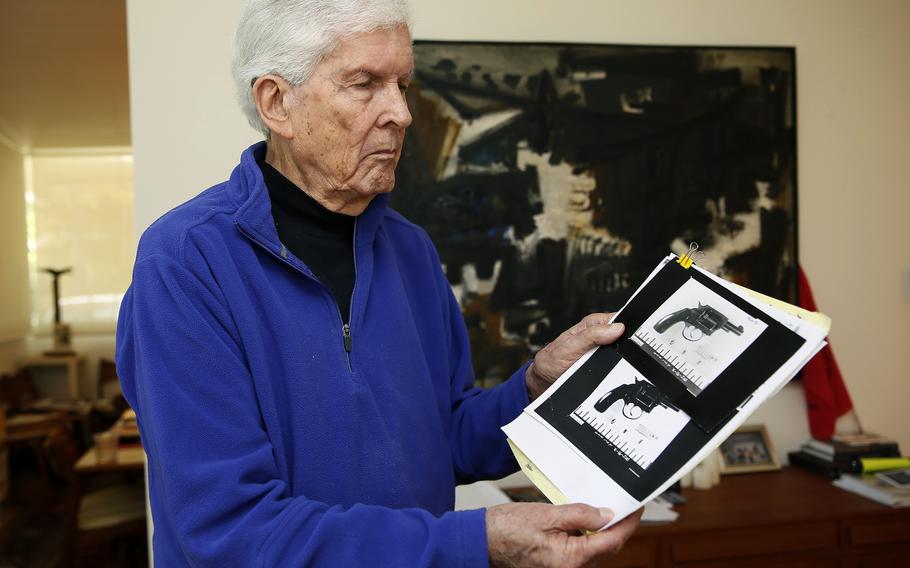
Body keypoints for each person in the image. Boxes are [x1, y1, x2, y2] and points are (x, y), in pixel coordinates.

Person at [115, 1, 640, 566]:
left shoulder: (410, 249)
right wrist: (476, 541)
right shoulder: (186, 261)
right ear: (277, 103)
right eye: (365, 84)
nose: (402, 113)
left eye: (403, 85)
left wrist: (538, 383)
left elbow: (450, 441)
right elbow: (232, 535)